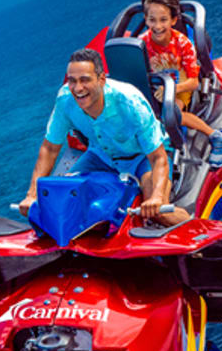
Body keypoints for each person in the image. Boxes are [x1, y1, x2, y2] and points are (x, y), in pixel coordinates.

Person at [19, 47, 189, 225]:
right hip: (100, 157)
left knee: (158, 211)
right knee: (65, 203)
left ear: (101, 79)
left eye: (85, 80)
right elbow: (50, 148)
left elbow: (157, 157)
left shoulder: (130, 102)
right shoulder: (65, 99)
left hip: (142, 157)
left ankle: (198, 232)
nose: (77, 88)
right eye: (72, 81)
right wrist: (32, 195)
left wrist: (156, 196)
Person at [140, 0, 222, 166]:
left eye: (163, 20)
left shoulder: (182, 44)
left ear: (173, 20)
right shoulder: (143, 42)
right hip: (156, 83)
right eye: (152, 20)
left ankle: (215, 136)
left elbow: (193, 83)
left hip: (179, 83)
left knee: (171, 113)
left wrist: (172, 90)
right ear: (146, 20)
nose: (157, 26)